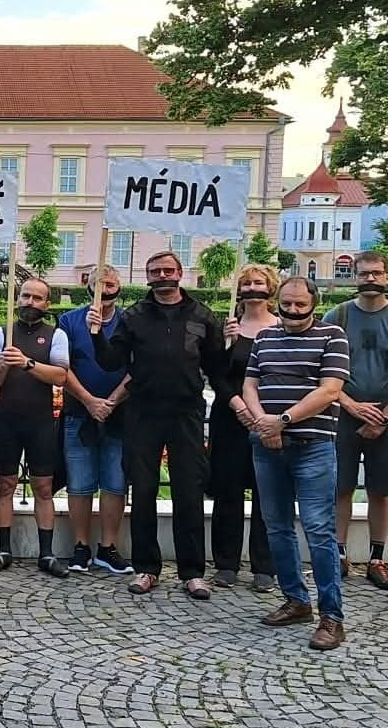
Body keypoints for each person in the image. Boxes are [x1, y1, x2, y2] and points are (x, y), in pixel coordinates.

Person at [91, 250, 231, 598]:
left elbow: (218, 368)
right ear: (148, 277)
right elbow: (110, 362)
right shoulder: (134, 316)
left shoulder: (202, 315)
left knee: (189, 491)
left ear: (180, 273)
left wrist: (233, 341)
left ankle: (192, 572)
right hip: (143, 412)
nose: (162, 276)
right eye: (155, 271)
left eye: (168, 270)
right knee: (143, 490)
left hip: (186, 412)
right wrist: (96, 333)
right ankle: (146, 568)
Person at [239, 277, 351, 651]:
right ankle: (296, 600)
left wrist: (282, 420)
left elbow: (330, 390)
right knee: (277, 527)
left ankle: (331, 617)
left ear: (314, 304)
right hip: (267, 445)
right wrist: (262, 422)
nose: (293, 310)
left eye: (301, 304)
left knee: (319, 530)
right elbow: (250, 385)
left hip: (313, 446)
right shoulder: (264, 338)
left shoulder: (332, 336)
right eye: (287, 303)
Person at [322, 249, 388, 589]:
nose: (370, 279)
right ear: (355, 277)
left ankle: (377, 558)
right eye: (364, 273)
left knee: (381, 489)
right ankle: (338, 553)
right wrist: (351, 406)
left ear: (387, 276)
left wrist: (384, 416)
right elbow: (324, 371)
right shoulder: (337, 316)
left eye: (376, 273)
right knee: (341, 488)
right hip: (342, 416)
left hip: (386, 420)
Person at [0, 277, 73, 577]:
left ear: (47, 303)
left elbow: (60, 377)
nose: (30, 302)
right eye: (25, 296)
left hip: (41, 422)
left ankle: (46, 553)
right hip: (7, 420)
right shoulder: (0, 333)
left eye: (37, 298)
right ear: (17, 298)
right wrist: (4, 366)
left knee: (43, 487)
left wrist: (27, 363)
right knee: (5, 484)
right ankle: (3, 549)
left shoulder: (56, 335)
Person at [57, 266, 133, 578]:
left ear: (119, 287)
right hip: (79, 411)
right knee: (79, 483)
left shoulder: (130, 321)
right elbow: (62, 366)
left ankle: (108, 547)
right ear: (87, 286)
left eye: (111, 283)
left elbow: (137, 367)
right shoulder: (69, 320)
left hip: (120, 413)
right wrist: (89, 401)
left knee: (115, 483)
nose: (106, 289)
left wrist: (111, 402)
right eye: (99, 284)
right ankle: (81, 545)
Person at [208, 264, 279, 591]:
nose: (252, 288)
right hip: (230, 417)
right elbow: (215, 374)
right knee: (228, 492)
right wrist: (238, 405)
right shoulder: (227, 327)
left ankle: (265, 566)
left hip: (270, 420)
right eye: (246, 283)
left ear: (270, 287)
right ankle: (226, 564)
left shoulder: (282, 328)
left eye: (258, 282)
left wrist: (264, 416)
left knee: (268, 493)